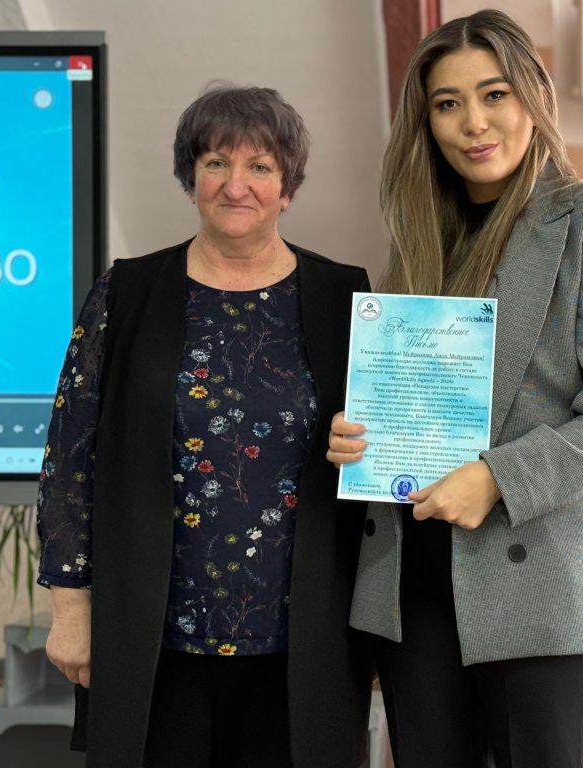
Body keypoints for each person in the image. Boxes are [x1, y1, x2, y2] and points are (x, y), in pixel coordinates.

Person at [328, 9, 583, 768]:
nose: (473, 123)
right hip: (413, 577)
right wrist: (360, 438)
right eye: (448, 103)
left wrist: (496, 478)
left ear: (533, 98)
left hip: (543, 569)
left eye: (494, 94)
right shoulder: (419, 239)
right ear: (426, 123)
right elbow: (412, 401)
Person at [37, 85, 373, 768]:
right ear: (191, 176)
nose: (235, 185)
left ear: (288, 187)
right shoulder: (126, 292)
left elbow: (383, 456)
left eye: (260, 167)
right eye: (216, 162)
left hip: (305, 642)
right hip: (152, 639)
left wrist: (367, 446)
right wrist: (71, 613)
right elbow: (70, 459)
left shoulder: (347, 297)